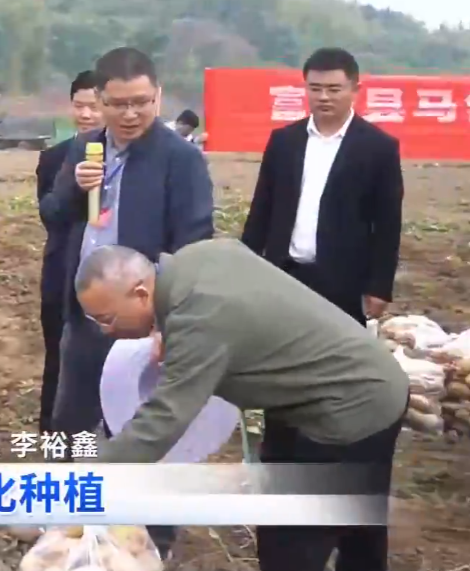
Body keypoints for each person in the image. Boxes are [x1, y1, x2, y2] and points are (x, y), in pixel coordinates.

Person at [77, 240, 409, 571]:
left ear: (140, 294)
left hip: (348, 411)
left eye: (106, 318)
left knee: (290, 548)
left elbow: (164, 418)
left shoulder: (199, 320)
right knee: (359, 523)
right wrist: (167, 326)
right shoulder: (197, 259)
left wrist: (86, 477)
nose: (105, 331)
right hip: (365, 383)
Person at [39, 46, 212, 558]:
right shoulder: (85, 148)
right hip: (88, 314)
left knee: (143, 427)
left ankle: (152, 538)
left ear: (158, 96)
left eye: (141, 102)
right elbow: (52, 214)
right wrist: (75, 189)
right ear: (99, 101)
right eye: (118, 104)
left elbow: (193, 242)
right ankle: (69, 526)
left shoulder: (180, 159)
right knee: (73, 419)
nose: (131, 114)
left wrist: (169, 321)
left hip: (144, 322)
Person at [242, 47, 403, 326]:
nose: (323, 97)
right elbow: (262, 209)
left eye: (333, 89)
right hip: (284, 272)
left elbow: (387, 224)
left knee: (335, 348)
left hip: (342, 280)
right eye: (315, 88)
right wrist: (246, 261)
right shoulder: (284, 141)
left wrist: (380, 286)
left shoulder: (378, 147)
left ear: (355, 90)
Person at [32, 70, 100, 431]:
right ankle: (52, 431)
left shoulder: (128, 157)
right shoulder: (54, 158)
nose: (86, 114)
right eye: (79, 105)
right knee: (57, 353)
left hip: (110, 274)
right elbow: (50, 215)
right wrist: (73, 184)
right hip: (62, 270)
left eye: (94, 106)